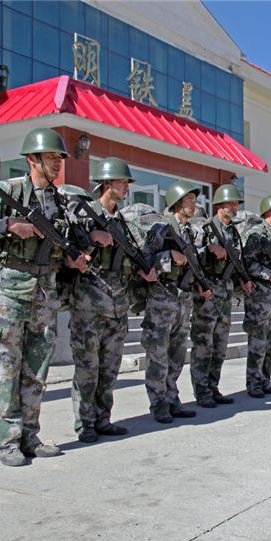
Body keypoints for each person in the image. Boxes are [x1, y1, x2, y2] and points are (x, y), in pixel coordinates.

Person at [0, 128, 91, 466]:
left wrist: (75, 257)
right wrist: (10, 224)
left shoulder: (59, 200)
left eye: (59, 158)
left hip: (44, 291)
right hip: (11, 288)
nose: (57, 164)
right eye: (52, 158)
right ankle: (6, 440)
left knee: (37, 368)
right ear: (32, 159)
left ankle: (29, 435)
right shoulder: (8, 191)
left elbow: (69, 240)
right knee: (8, 366)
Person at [69, 157, 157, 441]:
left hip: (118, 304)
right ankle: (85, 424)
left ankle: (103, 418)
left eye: (126, 183)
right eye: (121, 182)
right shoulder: (83, 214)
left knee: (110, 366)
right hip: (89, 303)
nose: (126, 187)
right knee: (88, 368)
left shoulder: (122, 221)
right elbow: (67, 246)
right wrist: (91, 237)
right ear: (106, 183)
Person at [137, 179, 210, 423]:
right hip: (162, 298)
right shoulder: (161, 229)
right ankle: (158, 404)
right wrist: (168, 256)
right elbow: (145, 262)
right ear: (177, 203)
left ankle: (172, 398)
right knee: (158, 355)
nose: (194, 203)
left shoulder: (190, 231)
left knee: (177, 354)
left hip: (183, 298)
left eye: (193, 199)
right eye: (189, 199)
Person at [190, 184, 253, 407]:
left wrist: (242, 281)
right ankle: (201, 391)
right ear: (220, 205)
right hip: (207, 294)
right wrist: (207, 252)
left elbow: (237, 260)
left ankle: (212, 386)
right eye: (231, 203)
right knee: (203, 344)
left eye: (236, 204)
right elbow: (192, 257)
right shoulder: (205, 229)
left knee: (220, 345)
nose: (235, 207)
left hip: (225, 294)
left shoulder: (233, 232)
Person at [241, 194, 271, 398]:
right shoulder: (256, 234)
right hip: (260, 296)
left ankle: (265, 380)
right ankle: (254, 383)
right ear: (268, 211)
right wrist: (269, 275)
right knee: (258, 341)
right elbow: (248, 263)